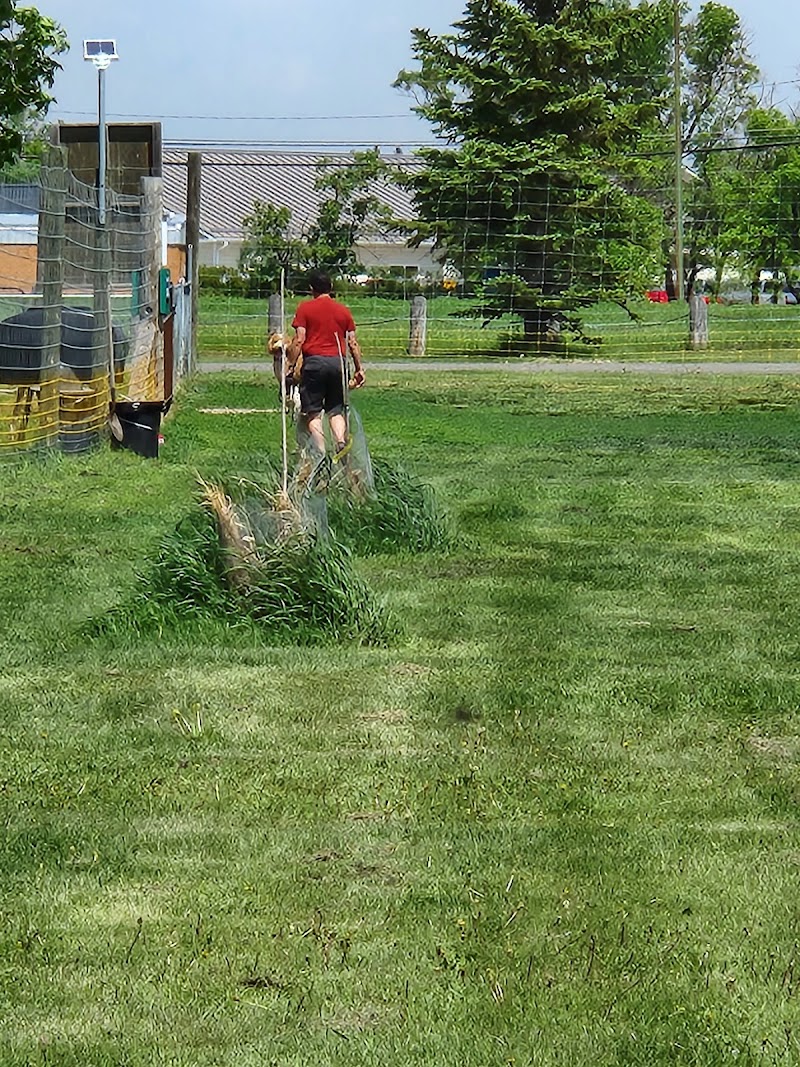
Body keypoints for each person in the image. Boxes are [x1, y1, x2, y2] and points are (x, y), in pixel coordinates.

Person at [288, 270, 365, 456]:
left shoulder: (304, 309)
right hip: (338, 363)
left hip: (314, 364)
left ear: (311, 289)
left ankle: (320, 450)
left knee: (313, 411)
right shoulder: (343, 311)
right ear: (331, 288)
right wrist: (358, 368)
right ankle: (339, 442)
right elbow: (353, 343)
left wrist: (290, 365)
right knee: (336, 408)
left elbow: (299, 339)